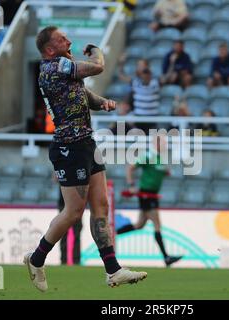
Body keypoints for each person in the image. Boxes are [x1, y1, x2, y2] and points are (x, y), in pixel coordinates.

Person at [24, 26, 147, 292]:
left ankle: (113, 270)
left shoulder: (63, 68)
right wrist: (96, 52)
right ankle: (36, 259)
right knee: (73, 213)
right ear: (49, 49)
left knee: (101, 205)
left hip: (86, 143)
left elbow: (81, 93)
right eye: (61, 39)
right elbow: (98, 67)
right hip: (69, 146)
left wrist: (101, 101)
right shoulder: (54, 67)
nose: (68, 40)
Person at [117, 135, 183, 267]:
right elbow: (130, 168)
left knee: (139, 225)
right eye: (163, 143)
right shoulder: (148, 155)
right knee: (157, 224)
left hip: (152, 195)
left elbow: (159, 171)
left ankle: (114, 233)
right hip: (147, 195)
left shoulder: (159, 159)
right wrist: (131, 185)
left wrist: (166, 172)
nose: (165, 145)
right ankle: (166, 257)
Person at [57, 188, 83, 265]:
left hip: (76, 205)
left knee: (76, 234)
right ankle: (64, 260)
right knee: (63, 234)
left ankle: (75, 261)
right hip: (65, 204)